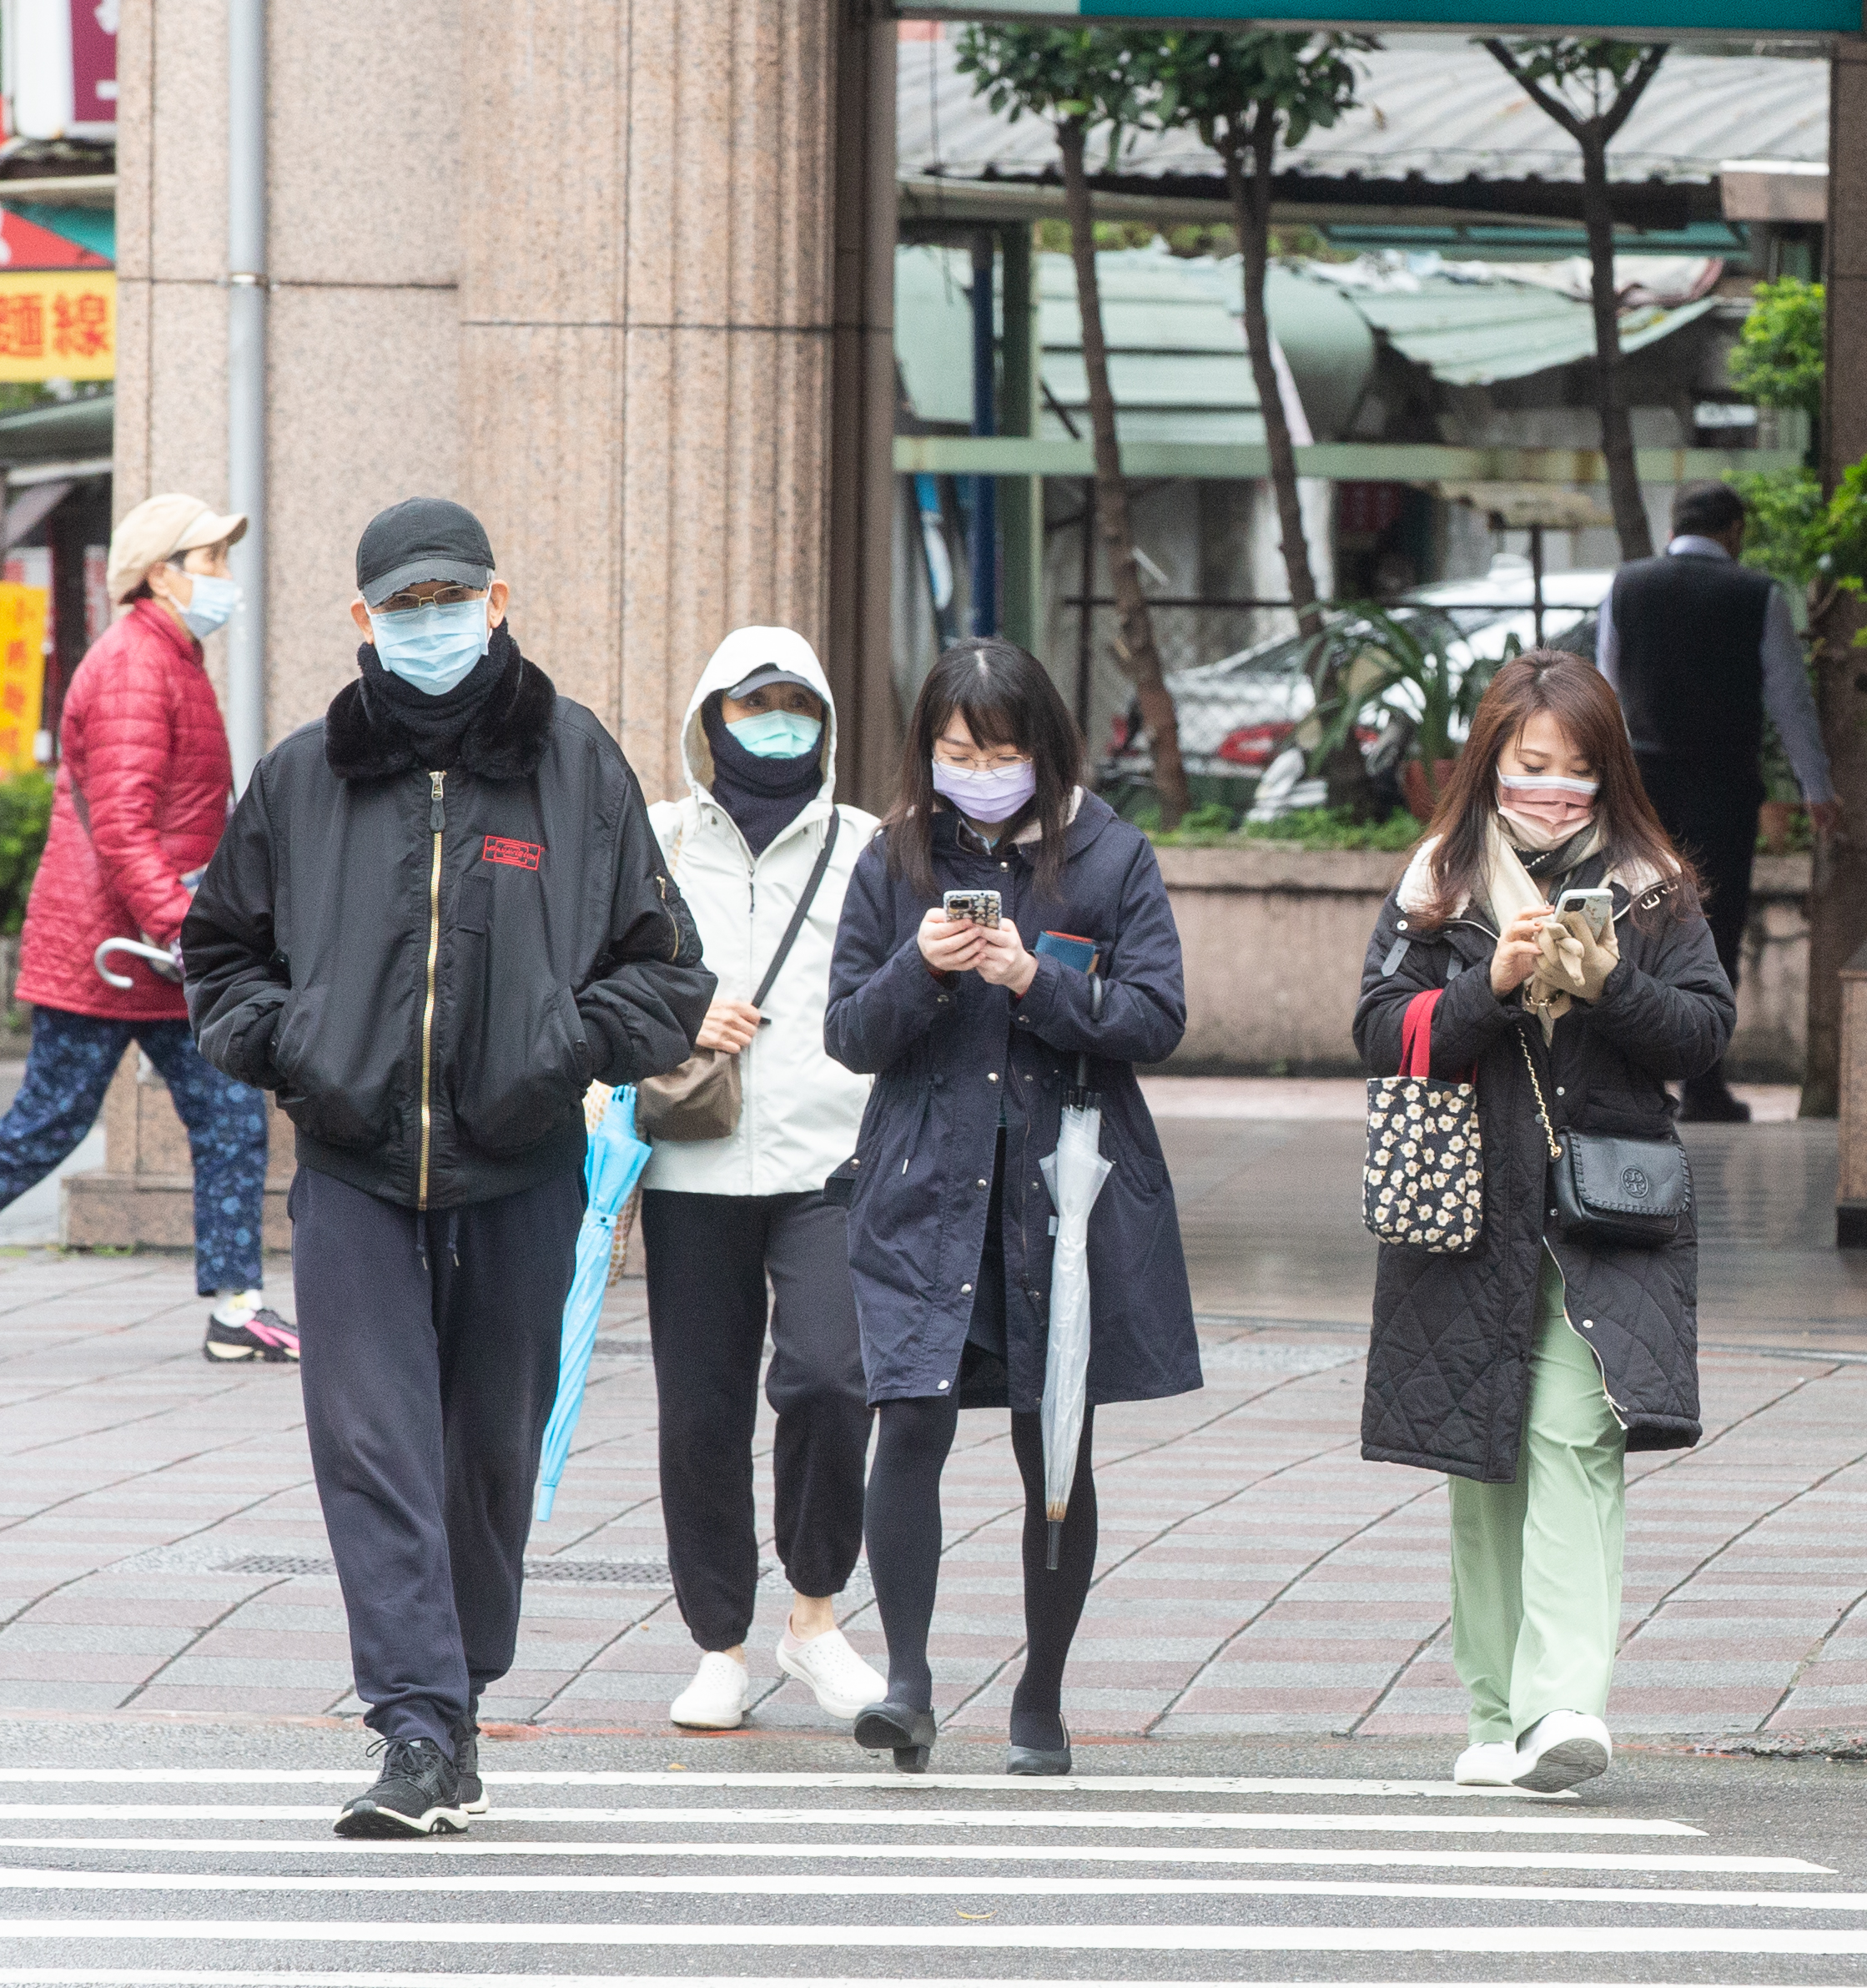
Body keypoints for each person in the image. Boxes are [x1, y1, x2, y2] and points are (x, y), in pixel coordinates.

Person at [183, 496, 712, 1836]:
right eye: (403, 604)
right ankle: (414, 1724)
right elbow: (220, 953)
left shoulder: (573, 762)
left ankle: (455, 1694)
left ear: (496, 597)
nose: (431, 623)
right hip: (355, 1163)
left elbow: (662, 965)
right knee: (372, 1445)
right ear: (363, 618)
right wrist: (295, 1046)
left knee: (485, 1455)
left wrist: (563, 1046)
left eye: (451, 598)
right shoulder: (305, 776)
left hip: (519, 1164)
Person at [1356, 650, 1732, 1793]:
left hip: (1602, 1214)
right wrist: (1491, 985)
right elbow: (1380, 1030)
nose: (1554, 790)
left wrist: (1610, 979)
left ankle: (1562, 1704)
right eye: (1532, 767)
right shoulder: (1436, 883)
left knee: (1575, 1437)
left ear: (1607, 774)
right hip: (1463, 1206)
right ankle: (1491, 1708)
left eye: (1578, 770)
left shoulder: (1653, 885)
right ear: (1490, 765)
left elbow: (1703, 1034)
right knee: (1481, 1458)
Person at [824, 637, 1198, 1776]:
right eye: (953, 748)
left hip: (1060, 1194)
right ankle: (908, 1681)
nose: (975, 768)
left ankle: (1039, 1696)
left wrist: (1037, 980)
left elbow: (1156, 1015)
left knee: (1056, 1441)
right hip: (920, 1187)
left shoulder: (1106, 852)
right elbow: (846, 1031)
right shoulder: (893, 859)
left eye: (997, 749)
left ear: (1042, 747)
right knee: (910, 1416)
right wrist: (921, 968)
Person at [0, 492, 284, 1366]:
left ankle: (238, 1309)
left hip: (145, 952)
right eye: (211, 561)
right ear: (161, 574)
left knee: (231, 1108)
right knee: (51, 1123)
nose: (225, 579)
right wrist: (183, 926)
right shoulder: (136, 663)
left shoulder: (170, 654)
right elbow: (124, 826)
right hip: (112, 952)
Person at [640, 626, 888, 1732]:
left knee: (833, 1378)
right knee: (699, 1412)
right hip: (692, 1160)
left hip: (828, 1157)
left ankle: (816, 1614)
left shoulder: (867, 845)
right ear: (712, 718)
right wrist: (679, 1013)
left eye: (794, 702)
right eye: (751, 703)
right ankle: (716, 1644)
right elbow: (605, 980)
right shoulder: (654, 840)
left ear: (824, 721)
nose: (774, 721)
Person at [1596, 479, 1838, 1121]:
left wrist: (1607, 789)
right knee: (1712, 932)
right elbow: (1789, 699)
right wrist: (1815, 789)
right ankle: (1702, 1084)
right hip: (1722, 789)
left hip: (1641, 790)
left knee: (1629, 927)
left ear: (1674, 524)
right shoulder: (1757, 595)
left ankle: (1630, 1076)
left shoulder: (1626, 586)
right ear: (1733, 530)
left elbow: (1605, 695)